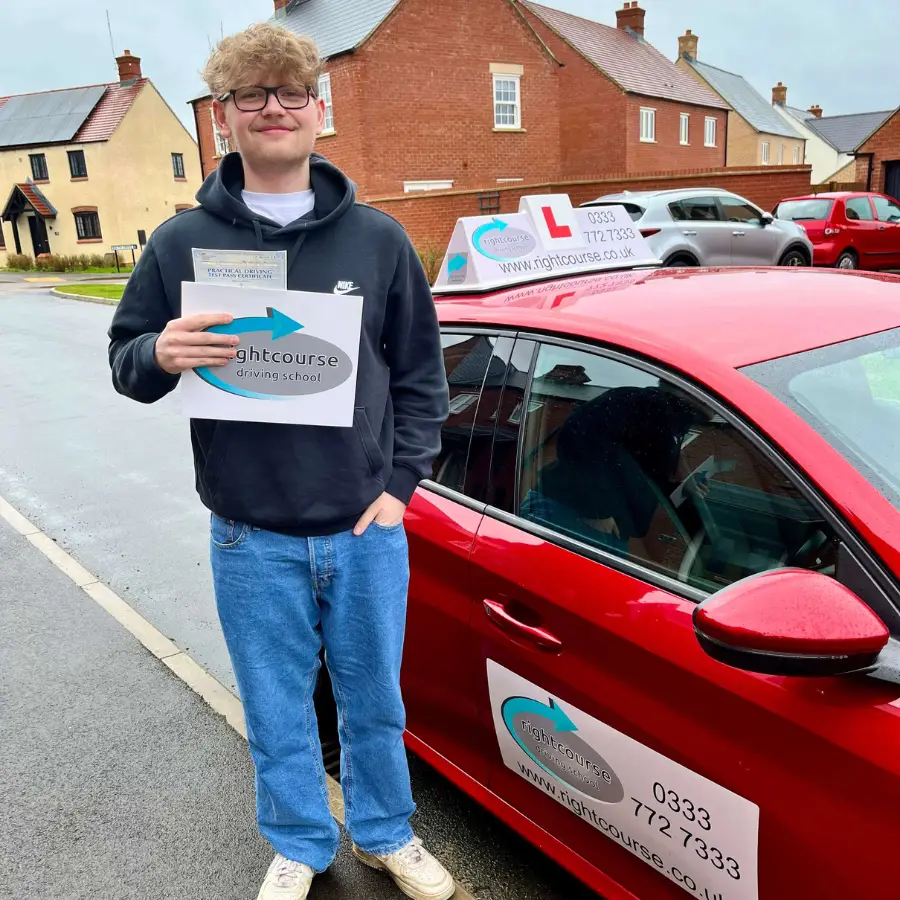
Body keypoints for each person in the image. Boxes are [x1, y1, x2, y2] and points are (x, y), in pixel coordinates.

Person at [107, 23, 453, 900]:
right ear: (224, 117)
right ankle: (301, 840)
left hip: (365, 526)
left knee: (375, 703)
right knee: (276, 710)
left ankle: (383, 833)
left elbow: (420, 377)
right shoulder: (180, 244)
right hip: (249, 535)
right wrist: (161, 352)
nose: (273, 109)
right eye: (251, 95)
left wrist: (400, 489)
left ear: (318, 110)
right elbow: (126, 366)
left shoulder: (377, 241)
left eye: (290, 92)